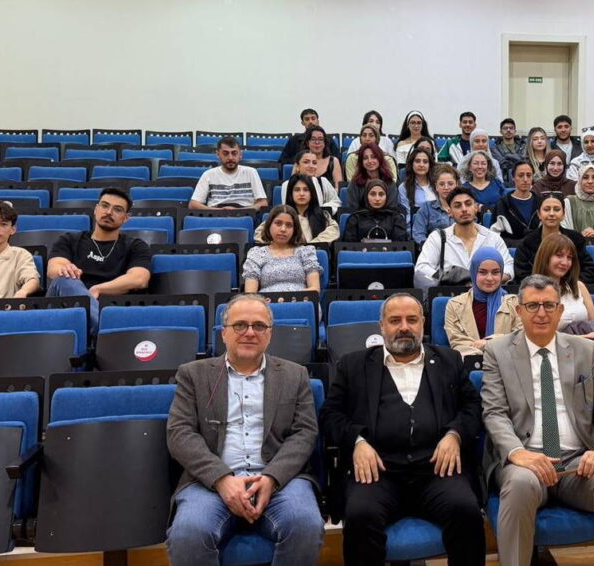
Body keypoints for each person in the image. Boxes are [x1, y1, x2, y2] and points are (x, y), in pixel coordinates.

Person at [480, 274, 594, 566]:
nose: (541, 313)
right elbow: (494, 413)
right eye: (532, 306)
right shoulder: (498, 351)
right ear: (519, 311)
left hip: (577, 462)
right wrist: (517, 453)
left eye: (549, 305)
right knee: (519, 486)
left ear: (560, 310)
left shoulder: (585, 350)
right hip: (526, 461)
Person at [320, 294, 486, 566]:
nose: (404, 327)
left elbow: (472, 407)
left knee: (466, 511)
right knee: (360, 515)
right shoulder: (353, 365)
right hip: (377, 472)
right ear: (381, 326)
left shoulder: (449, 360)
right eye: (395, 320)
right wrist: (357, 442)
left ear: (423, 323)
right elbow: (330, 414)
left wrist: (454, 434)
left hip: (437, 469)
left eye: (412, 320)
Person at [166, 294, 324, 566]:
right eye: (240, 325)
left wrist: (272, 478)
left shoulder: (295, 375)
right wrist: (221, 478)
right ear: (224, 333)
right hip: (210, 482)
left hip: (280, 481)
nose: (250, 332)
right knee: (188, 533)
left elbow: (304, 433)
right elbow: (180, 433)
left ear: (269, 334)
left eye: (259, 326)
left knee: (305, 524)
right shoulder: (193, 374)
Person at [47, 188, 152, 331]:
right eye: (105, 205)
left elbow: (139, 279)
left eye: (118, 209)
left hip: (111, 307)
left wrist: (99, 289)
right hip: (68, 308)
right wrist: (65, 268)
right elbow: (54, 268)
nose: (109, 212)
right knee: (63, 278)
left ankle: (104, 330)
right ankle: (111, 332)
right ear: (96, 209)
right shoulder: (70, 240)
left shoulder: (136, 246)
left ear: (125, 218)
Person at [414, 187, 513, 289]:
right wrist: (448, 278)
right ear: (450, 212)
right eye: (458, 206)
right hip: (450, 293)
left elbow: (509, 267)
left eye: (468, 204)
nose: (464, 209)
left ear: (476, 207)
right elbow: (421, 268)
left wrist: (484, 280)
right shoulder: (438, 238)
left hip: (487, 293)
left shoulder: (492, 237)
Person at [532, 234, 594, 344]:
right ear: (545, 257)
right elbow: (538, 338)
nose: (565, 262)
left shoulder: (578, 286)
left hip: (588, 347)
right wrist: (585, 338)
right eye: (559, 255)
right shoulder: (532, 292)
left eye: (569, 257)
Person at [445, 249, 522, 357]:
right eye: (483, 272)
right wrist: (490, 351)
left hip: (506, 363)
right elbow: (457, 343)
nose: (489, 278)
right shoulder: (454, 305)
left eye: (495, 272)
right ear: (473, 272)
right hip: (469, 362)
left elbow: (520, 338)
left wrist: (488, 343)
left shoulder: (515, 303)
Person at [512, 192, 594, 285]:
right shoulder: (526, 243)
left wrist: (567, 287)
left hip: (570, 289)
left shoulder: (576, 239)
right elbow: (522, 275)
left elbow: (589, 270)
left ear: (563, 214)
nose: (551, 213)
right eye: (546, 209)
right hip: (538, 290)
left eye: (556, 209)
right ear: (539, 214)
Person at [245, 205, 322, 293]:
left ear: (295, 229)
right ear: (269, 225)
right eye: (278, 223)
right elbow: (250, 294)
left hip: (300, 301)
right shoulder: (256, 254)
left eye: (289, 225)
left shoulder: (306, 252)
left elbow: (315, 290)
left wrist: (293, 299)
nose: (283, 229)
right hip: (266, 301)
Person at [189, 137, 268, 210]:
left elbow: (263, 203)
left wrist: (238, 211)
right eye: (225, 153)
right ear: (218, 154)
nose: (230, 158)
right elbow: (193, 204)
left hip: (244, 214)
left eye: (234, 153)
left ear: (240, 154)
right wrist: (219, 211)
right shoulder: (208, 174)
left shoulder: (251, 172)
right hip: (215, 215)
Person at [344, 143, 409, 217]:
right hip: (361, 221)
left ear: (380, 158)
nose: (370, 161)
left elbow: (391, 209)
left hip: (386, 221)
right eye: (365, 158)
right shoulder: (355, 183)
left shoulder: (389, 182)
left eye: (373, 157)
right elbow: (353, 210)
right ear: (361, 162)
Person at [490, 161, 542, 241]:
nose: (525, 179)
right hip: (511, 247)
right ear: (513, 178)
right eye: (521, 175)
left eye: (529, 175)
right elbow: (495, 236)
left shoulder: (540, 202)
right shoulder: (503, 205)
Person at [279, 149, 342, 216]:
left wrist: (321, 210)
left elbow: (336, 202)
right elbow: (287, 209)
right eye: (306, 162)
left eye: (314, 163)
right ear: (297, 166)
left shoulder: (323, 182)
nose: (311, 166)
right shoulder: (287, 185)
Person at [342, 180, 409, 242]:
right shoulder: (355, 218)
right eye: (373, 194)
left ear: (387, 197)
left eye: (381, 194)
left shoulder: (396, 218)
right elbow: (349, 244)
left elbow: (400, 244)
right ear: (366, 196)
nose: (377, 199)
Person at [281, 174, 339, 244]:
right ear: (291, 193)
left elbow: (333, 231)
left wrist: (311, 245)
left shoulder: (322, 215)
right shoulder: (282, 216)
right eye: (297, 190)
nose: (301, 194)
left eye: (306, 190)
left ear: (311, 193)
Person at [412, 163, 457, 244]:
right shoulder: (426, 208)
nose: (446, 187)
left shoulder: (464, 208)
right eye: (442, 184)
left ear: (456, 185)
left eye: (450, 184)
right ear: (436, 187)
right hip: (433, 249)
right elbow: (418, 235)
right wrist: (432, 248)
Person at [301, 125, 344, 189]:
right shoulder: (301, 159)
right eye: (313, 139)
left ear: (325, 143)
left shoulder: (333, 161)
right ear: (307, 143)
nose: (317, 142)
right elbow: (293, 185)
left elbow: (338, 187)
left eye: (321, 139)